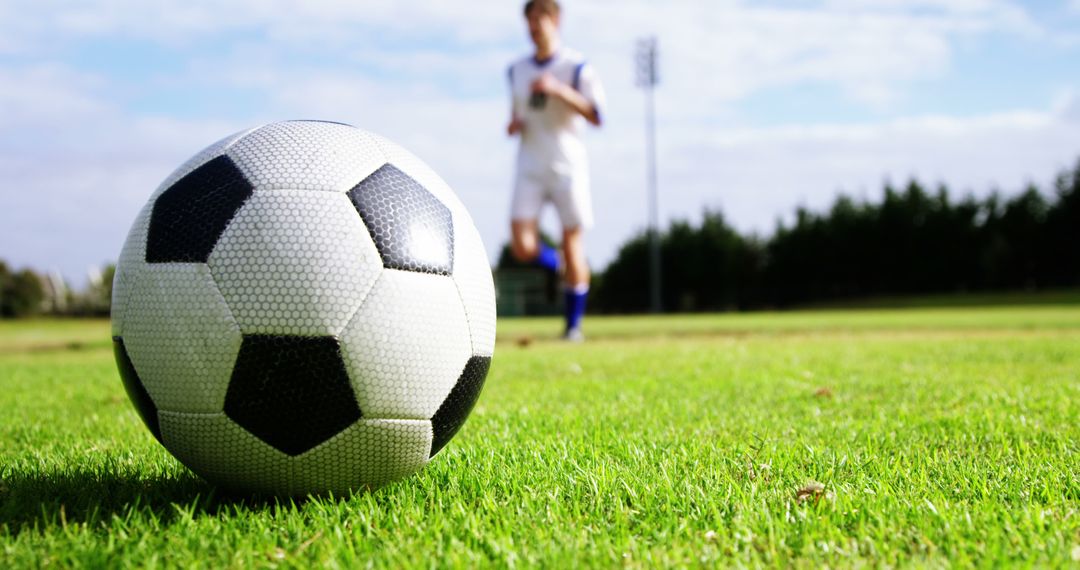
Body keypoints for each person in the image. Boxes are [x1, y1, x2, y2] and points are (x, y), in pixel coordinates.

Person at [506, 0, 605, 341]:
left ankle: (573, 327)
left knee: (573, 242)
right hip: (530, 164)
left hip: (567, 166)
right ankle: (558, 266)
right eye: (529, 21)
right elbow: (519, 111)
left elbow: (596, 115)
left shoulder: (576, 66)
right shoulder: (516, 69)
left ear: (555, 21)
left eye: (540, 19)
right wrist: (515, 124)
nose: (534, 27)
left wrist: (559, 90)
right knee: (521, 245)